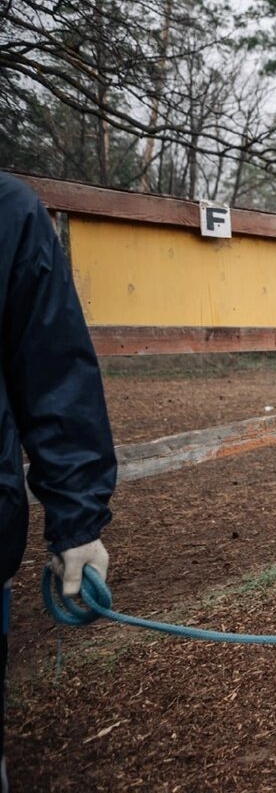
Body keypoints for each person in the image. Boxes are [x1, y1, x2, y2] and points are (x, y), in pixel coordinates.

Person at [0, 172, 117, 790]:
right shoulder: (10, 210)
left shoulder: (9, 213)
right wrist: (77, 522)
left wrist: (76, 520)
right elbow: (53, 368)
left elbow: (51, 371)